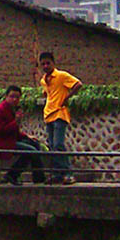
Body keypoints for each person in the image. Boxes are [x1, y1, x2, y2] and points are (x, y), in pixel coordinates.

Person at [0, 85, 46, 185]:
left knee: (34, 144)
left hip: (9, 140)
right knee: (31, 151)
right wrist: (16, 121)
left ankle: (36, 176)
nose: (14, 99)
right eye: (12, 96)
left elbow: (14, 131)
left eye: (17, 97)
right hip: (1, 143)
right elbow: (2, 131)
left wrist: (26, 136)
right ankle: (15, 175)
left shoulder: (11, 109)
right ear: (6, 97)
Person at [38, 51, 82, 185]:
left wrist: (66, 98)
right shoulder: (43, 80)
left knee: (58, 145)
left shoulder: (62, 76)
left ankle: (68, 173)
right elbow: (47, 94)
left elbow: (78, 84)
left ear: (53, 63)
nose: (45, 66)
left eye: (48, 63)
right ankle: (57, 173)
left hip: (60, 113)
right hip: (48, 115)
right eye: (43, 64)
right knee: (52, 146)